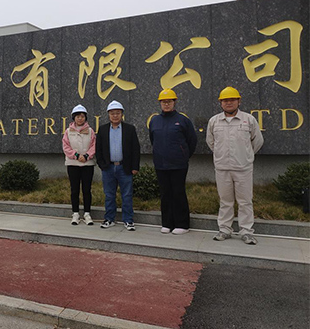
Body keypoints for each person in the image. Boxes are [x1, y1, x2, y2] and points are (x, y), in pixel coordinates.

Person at [206, 87, 264, 245]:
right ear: (221, 103)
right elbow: (211, 142)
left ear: (239, 101)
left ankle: (246, 231)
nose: (229, 102)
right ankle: (225, 229)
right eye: (225, 100)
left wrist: (245, 155)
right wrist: (221, 155)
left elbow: (257, 141)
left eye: (232, 99)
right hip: (222, 168)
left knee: (245, 201)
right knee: (225, 200)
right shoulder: (214, 121)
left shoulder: (248, 120)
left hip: (243, 168)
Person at [149, 89, 197, 235]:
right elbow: (153, 140)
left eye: (169, 101)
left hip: (178, 164)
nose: (166, 104)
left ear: (174, 102)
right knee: (165, 194)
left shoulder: (182, 120)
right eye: (164, 102)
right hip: (161, 164)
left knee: (178, 193)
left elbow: (192, 141)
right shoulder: (155, 120)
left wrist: (183, 155)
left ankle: (182, 224)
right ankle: (167, 223)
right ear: (160, 103)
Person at [95, 100, 140, 230]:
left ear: (122, 114)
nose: (115, 116)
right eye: (112, 113)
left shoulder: (129, 129)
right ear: (108, 115)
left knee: (127, 195)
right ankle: (109, 219)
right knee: (109, 195)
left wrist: (135, 167)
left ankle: (128, 220)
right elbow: (98, 149)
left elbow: (135, 149)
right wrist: (102, 164)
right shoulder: (103, 129)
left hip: (124, 167)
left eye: (118, 113)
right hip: (108, 168)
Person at [62, 104, 96, 225]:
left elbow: (94, 146)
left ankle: (87, 213)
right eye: (77, 116)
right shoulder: (68, 132)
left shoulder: (90, 131)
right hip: (73, 164)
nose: (80, 118)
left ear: (85, 117)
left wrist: (87, 156)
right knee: (74, 189)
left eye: (82, 116)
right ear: (74, 118)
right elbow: (66, 147)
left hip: (87, 164)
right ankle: (75, 213)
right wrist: (76, 155)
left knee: (87, 190)